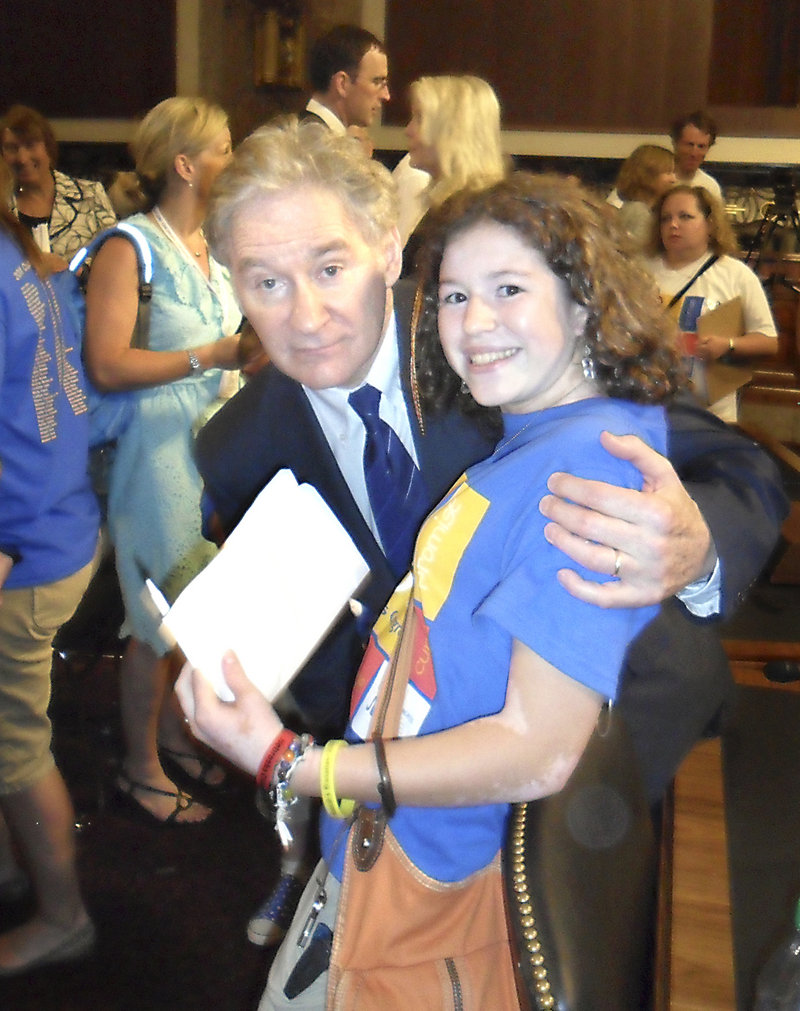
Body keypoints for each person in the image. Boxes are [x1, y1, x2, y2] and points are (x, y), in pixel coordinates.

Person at [194, 118, 787, 947]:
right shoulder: (236, 447)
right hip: (426, 800)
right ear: (232, 283)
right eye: (265, 281)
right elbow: (336, 670)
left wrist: (694, 551)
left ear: (389, 250)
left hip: (612, 741)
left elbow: (743, 468)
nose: (308, 313)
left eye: (330, 267)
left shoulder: (498, 334)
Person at [82, 97, 244, 824]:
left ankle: (174, 733)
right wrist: (206, 355)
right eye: (225, 148)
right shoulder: (130, 247)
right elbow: (106, 365)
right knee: (156, 617)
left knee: (196, 604)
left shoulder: (213, 247)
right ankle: (138, 766)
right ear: (186, 164)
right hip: (152, 451)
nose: (235, 162)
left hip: (209, 443)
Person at [0, 158, 100, 973]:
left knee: (14, 744)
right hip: (56, 520)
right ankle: (12, 866)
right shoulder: (16, 256)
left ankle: (64, 916)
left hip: (22, 546)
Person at [646, 184, 778, 422]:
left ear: (709, 224)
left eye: (685, 216)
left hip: (712, 415)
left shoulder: (736, 274)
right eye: (666, 218)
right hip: (649, 406)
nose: (673, 225)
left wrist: (728, 344)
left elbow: (768, 341)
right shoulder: (640, 271)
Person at [400, 75, 507, 275]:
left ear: (451, 130)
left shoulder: (468, 218)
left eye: (419, 118)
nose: (408, 130)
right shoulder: (452, 207)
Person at [0, 104, 116, 270]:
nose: (22, 158)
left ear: (48, 146)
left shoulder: (91, 195)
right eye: (12, 148)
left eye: (30, 145)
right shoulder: (2, 207)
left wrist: (70, 272)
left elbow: (115, 263)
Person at [301, 24, 389, 139]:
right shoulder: (317, 147)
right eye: (376, 82)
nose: (386, 95)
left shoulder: (304, 134)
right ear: (342, 84)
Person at [612, 143, 676, 249]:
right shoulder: (638, 212)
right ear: (648, 176)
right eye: (668, 173)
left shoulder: (643, 209)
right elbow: (640, 256)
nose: (674, 179)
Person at [669, 110, 723, 201]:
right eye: (689, 144)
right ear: (675, 143)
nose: (694, 153)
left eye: (701, 146)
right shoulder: (659, 180)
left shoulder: (710, 187)